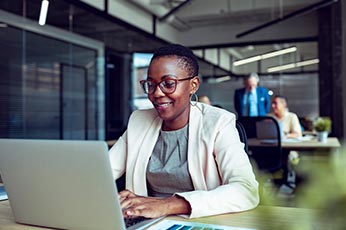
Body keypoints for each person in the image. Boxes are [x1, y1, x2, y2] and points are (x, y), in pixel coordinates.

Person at [109, 44, 259, 219]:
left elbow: (246, 189)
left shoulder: (218, 122)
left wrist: (166, 205)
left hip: (199, 221)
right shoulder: (139, 121)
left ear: (193, 85)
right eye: (150, 84)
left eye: (168, 84)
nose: (156, 93)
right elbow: (104, 172)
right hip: (146, 222)